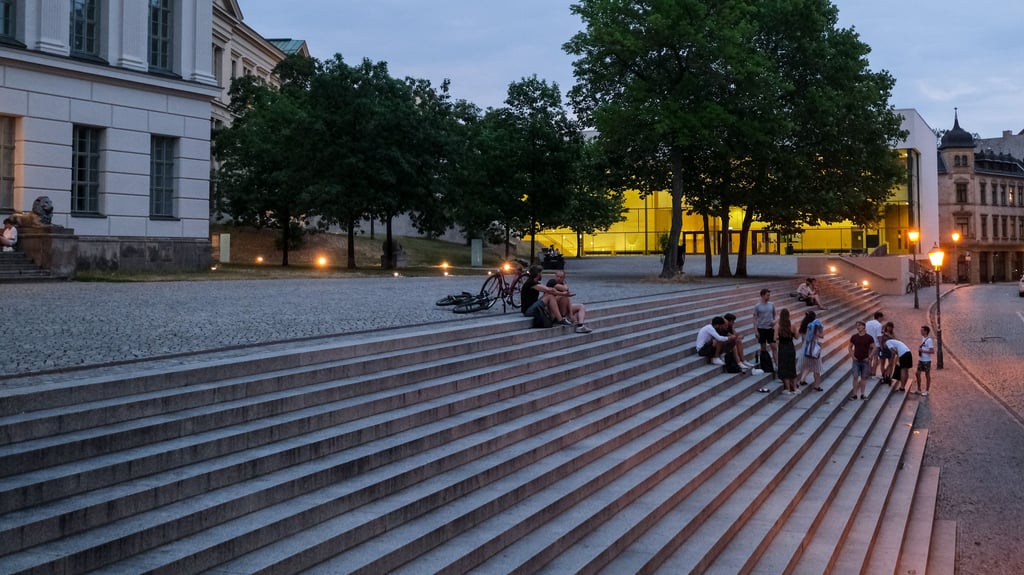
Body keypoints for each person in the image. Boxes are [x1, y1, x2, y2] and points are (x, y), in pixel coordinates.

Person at [546, 269, 592, 334]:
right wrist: (565, 284)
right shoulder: (551, 282)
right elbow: (565, 289)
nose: (559, 278)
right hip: (553, 309)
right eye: (557, 276)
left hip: (562, 307)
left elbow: (568, 300)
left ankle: (580, 325)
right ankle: (562, 317)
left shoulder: (562, 284)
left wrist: (571, 314)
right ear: (555, 276)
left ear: (564, 278)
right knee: (564, 295)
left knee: (581, 306)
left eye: (561, 277)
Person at [796, 311, 824, 391]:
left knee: (807, 365)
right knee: (817, 367)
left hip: (805, 347)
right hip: (813, 347)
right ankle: (817, 385)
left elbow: (797, 336)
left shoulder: (803, 326)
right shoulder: (815, 326)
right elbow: (821, 335)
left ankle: (802, 379)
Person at [848, 320, 875, 400]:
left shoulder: (869, 337)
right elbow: (850, 347)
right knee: (855, 377)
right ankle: (854, 394)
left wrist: (870, 357)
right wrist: (852, 356)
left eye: (859, 325)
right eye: (857, 325)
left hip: (865, 360)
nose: (858, 327)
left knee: (863, 377)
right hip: (856, 360)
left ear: (863, 326)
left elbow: (874, 347)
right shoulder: (854, 337)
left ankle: (862, 394)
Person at [752, 288, 777, 372]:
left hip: (770, 328)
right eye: (767, 295)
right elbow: (755, 319)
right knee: (763, 347)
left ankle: (777, 364)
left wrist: (774, 321)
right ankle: (764, 364)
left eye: (769, 295)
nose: (769, 297)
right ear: (762, 295)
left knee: (774, 346)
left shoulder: (772, 304)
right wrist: (756, 331)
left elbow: (774, 315)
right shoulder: (757, 306)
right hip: (761, 329)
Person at [776, 308, 800, 394]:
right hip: (790, 347)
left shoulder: (778, 326)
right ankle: (795, 388)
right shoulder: (793, 325)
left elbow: (774, 338)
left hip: (782, 347)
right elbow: (797, 337)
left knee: (784, 367)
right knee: (792, 366)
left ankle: (788, 389)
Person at [914, 325, 934, 396]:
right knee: (917, 373)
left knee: (927, 375)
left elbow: (932, 351)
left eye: (922, 330)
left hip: (927, 360)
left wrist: (922, 351)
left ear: (925, 331)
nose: (920, 331)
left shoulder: (929, 340)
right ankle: (919, 389)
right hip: (921, 359)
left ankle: (927, 390)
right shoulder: (923, 338)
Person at [865, 311, 884, 377]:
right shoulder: (879, 325)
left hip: (867, 343)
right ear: (879, 317)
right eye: (882, 318)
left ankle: (869, 371)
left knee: (869, 357)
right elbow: (879, 336)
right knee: (876, 358)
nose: (882, 320)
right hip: (875, 343)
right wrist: (881, 345)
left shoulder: (868, 323)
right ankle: (873, 372)